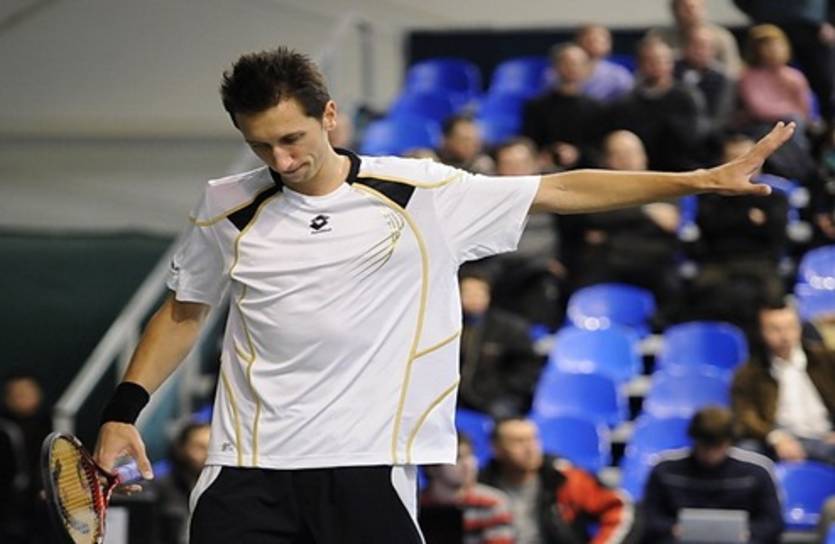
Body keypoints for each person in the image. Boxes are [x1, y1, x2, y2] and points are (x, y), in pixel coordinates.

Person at [91, 46, 795, 543]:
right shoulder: (226, 206)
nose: (281, 160)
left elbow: (560, 189)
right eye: (260, 146)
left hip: (365, 464)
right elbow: (184, 312)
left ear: (329, 115)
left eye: (292, 138)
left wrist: (698, 180)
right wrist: (124, 410)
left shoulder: (419, 193)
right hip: (245, 468)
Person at [558, 130, 681, 321]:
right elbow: (593, 218)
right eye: (619, 154)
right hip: (608, 261)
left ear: (644, 156)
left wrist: (612, 229)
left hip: (651, 262)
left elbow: (670, 222)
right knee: (582, 280)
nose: (627, 159)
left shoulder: (665, 186)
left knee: (672, 281)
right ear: (608, 160)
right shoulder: (599, 189)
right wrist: (645, 210)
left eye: (632, 153)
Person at [640, 406, 783, 544]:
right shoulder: (665, 470)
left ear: (729, 442)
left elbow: (772, 522)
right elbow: (648, 517)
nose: (710, 454)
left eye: (717, 446)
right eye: (705, 446)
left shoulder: (756, 472)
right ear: (695, 441)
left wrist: (748, 532)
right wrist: (672, 529)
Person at [480, 417, 633, 544]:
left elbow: (618, 508)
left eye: (533, 439)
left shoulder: (563, 478)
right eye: (518, 442)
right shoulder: (480, 488)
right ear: (497, 449)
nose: (530, 448)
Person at [731, 299, 835, 465]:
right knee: (746, 452)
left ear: (800, 327)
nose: (785, 336)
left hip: (823, 439)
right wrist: (775, 437)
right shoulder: (750, 373)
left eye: (790, 327)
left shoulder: (826, 360)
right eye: (775, 329)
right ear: (762, 332)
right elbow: (745, 416)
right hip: (776, 442)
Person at [610, 37, 712, 171]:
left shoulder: (686, 97)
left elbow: (694, 138)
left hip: (682, 169)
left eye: (662, 60)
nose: (656, 65)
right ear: (639, 63)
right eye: (649, 60)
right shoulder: (628, 102)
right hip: (642, 171)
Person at [733, 0, 835, 124]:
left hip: (813, 27)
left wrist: (831, 21)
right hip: (771, 20)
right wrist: (757, 10)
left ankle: (827, 127)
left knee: (824, 83)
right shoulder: (749, 74)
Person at [458, 270, 543, 418]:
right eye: (468, 293)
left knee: (502, 414)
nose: (474, 298)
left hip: (499, 397)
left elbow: (528, 367)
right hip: (459, 397)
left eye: (479, 292)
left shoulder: (510, 328)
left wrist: (504, 389)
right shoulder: (448, 329)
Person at [522, 43, 606, 170]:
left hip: (587, 170)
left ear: (587, 69)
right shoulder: (536, 106)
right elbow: (530, 143)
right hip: (547, 171)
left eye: (578, 64)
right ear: (555, 67)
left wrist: (577, 153)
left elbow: (599, 147)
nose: (572, 68)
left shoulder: (597, 108)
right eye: (567, 63)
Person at [420, 433, 515, 544]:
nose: (468, 464)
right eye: (457, 458)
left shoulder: (492, 503)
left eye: (470, 455)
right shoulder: (415, 506)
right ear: (431, 467)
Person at [0, 373, 51, 544]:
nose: (20, 398)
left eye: (25, 392)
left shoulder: (55, 426)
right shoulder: (4, 429)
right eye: (15, 394)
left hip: (47, 511)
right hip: (9, 513)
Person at [650, 0, 743, 78]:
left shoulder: (721, 38)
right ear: (674, 10)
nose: (688, 13)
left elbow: (732, 74)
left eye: (692, 8)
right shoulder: (660, 36)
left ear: (703, 9)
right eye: (683, 8)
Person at [154, 421, 211, 544]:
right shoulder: (159, 488)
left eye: (212, 448)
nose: (208, 454)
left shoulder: (225, 490)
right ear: (181, 448)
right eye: (200, 447)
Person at [573, 24, 634, 102]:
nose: (594, 45)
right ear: (578, 42)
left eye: (599, 40)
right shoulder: (561, 73)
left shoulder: (619, 75)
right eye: (590, 40)